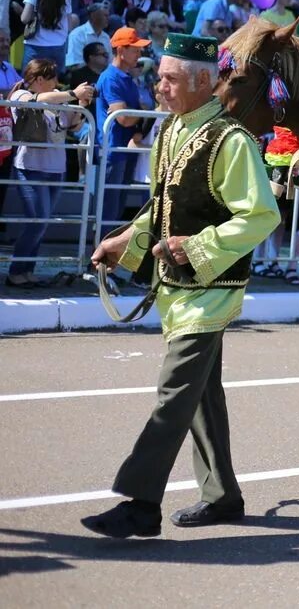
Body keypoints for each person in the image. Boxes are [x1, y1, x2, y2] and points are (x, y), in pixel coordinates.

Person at [83, 33, 280, 539]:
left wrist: (194, 248)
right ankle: (223, 496)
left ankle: (140, 504)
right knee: (201, 394)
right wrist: (123, 241)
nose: (159, 86)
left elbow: (260, 215)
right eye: (159, 76)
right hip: (178, 285)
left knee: (174, 395)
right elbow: (161, 206)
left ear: (201, 83)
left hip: (210, 288)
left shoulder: (230, 140)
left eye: (169, 78)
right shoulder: (172, 130)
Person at [5, 59, 95, 286]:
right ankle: (17, 270)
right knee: (38, 220)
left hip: (56, 168)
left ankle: (27, 271)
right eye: (52, 77)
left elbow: (73, 127)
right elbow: (38, 101)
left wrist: (81, 105)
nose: (57, 81)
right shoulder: (20, 95)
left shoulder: (58, 96)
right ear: (38, 79)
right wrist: (73, 94)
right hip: (30, 168)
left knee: (41, 223)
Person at [96, 27, 150, 229]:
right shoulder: (111, 78)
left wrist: (137, 112)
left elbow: (127, 115)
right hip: (114, 150)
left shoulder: (124, 77)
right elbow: (124, 119)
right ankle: (98, 256)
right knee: (109, 209)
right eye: (135, 49)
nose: (139, 54)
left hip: (123, 150)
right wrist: (143, 111)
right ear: (121, 50)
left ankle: (103, 254)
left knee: (115, 208)